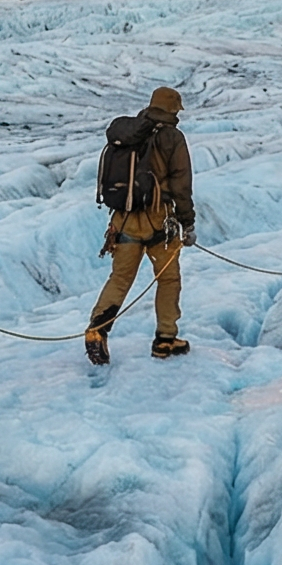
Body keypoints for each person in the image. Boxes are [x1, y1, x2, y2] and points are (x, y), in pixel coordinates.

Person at [87, 85, 193, 364]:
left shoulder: (130, 133)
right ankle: (165, 339)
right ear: (173, 109)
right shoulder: (172, 137)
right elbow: (182, 184)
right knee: (168, 278)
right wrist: (188, 222)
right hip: (159, 219)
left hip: (123, 219)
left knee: (120, 278)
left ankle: (97, 331)